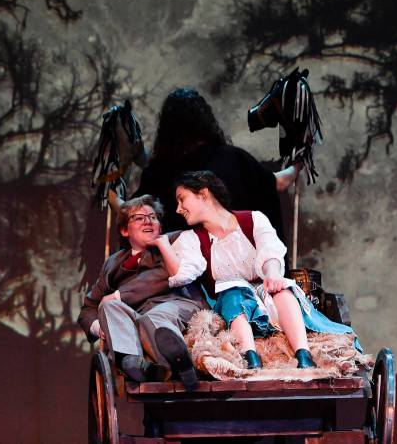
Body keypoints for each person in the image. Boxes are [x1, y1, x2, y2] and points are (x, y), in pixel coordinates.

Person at [159, 171, 356, 370]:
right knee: (233, 294)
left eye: (182, 199)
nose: (178, 209)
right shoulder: (192, 239)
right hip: (231, 307)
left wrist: (272, 274)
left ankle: (303, 354)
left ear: (203, 194)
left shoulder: (253, 220)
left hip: (267, 302)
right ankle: (250, 356)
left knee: (281, 291)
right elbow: (181, 274)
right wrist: (163, 244)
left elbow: (269, 250)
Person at [132, 87, 297, 242]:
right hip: (236, 267)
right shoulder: (235, 159)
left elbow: (131, 214)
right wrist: (300, 161)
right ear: (205, 120)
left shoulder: (158, 172)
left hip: (177, 268)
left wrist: (111, 183)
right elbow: (279, 182)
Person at [78, 195, 207, 388]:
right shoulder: (113, 263)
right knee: (110, 307)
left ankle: (178, 365)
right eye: (139, 218)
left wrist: (120, 295)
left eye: (153, 217)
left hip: (177, 306)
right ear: (124, 230)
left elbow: (164, 275)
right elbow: (89, 308)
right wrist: (100, 327)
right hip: (140, 317)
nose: (148, 221)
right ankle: (131, 362)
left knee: (152, 317)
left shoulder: (174, 241)